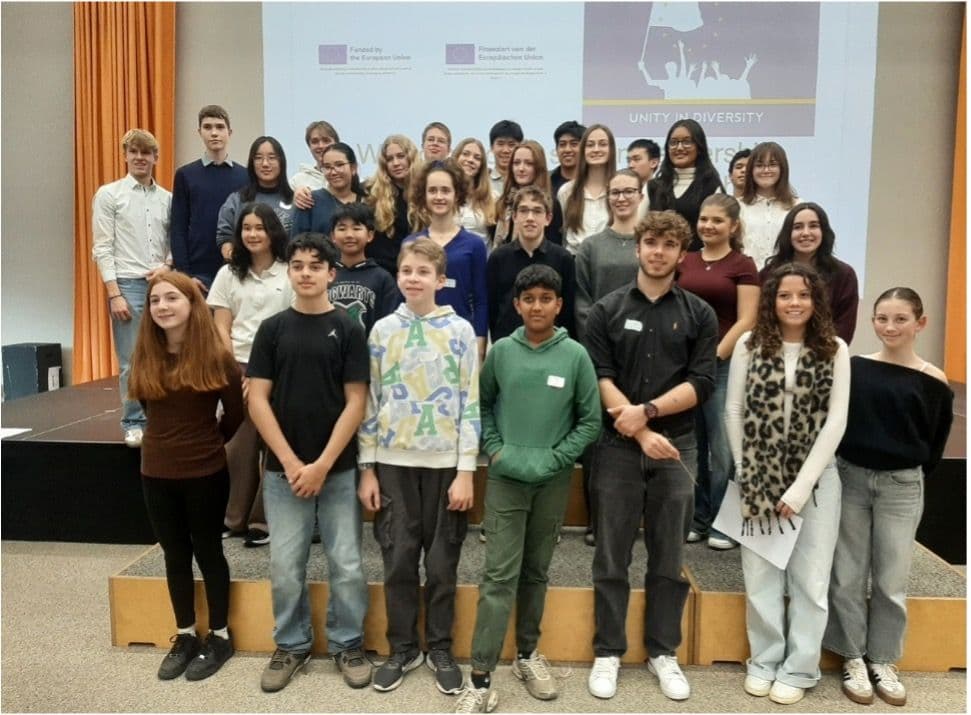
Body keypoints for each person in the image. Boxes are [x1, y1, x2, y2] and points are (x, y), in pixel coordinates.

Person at [584, 210, 717, 703]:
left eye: (668, 245)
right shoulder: (606, 309)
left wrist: (650, 412)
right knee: (611, 554)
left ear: (682, 254)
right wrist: (640, 431)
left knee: (668, 555)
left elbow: (703, 382)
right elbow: (599, 376)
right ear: (637, 248)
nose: (658, 251)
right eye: (651, 242)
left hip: (677, 444)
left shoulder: (700, 313)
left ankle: (663, 651)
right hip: (618, 447)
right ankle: (608, 650)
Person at [455, 264, 601, 713]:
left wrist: (556, 459)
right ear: (517, 305)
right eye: (529, 299)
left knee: (536, 572)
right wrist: (496, 449)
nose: (537, 306)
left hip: (552, 481)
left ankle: (526, 654)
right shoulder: (501, 353)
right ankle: (480, 678)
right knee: (499, 576)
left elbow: (591, 420)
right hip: (506, 479)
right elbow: (481, 405)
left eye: (546, 298)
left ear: (559, 305)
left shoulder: (574, 354)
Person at [247, 233, 372, 693]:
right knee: (284, 564)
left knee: (348, 563)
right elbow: (257, 400)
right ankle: (292, 644)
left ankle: (348, 642)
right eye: (296, 265)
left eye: (314, 266)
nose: (305, 273)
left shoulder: (350, 328)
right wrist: (292, 461)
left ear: (330, 274)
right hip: (284, 471)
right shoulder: (272, 330)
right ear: (288, 272)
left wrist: (321, 464)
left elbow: (355, 402)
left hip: (337, 470)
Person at [357, 238, 480, 695]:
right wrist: (367, 467)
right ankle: (403, 646)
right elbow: (370, 400)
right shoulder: (383, 331)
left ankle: (441, 646)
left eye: (422, 272)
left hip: (446, 463)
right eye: (406, 270)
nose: (413, 278)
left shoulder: (461, 331)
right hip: (392, 461)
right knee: (398, 558)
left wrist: (466, 468)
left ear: (440, 279)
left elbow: (471, 401)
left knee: (444, 560)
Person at [725, 262, 850, 705]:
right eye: (784, 295)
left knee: (810, 582)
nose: (794, 303)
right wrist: (746, 471)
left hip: (816, 486)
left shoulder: (834, 349)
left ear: (815, 301)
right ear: (771, 300)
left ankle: (799, 668)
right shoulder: (748, 344)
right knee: (759, 577)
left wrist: (799, 489)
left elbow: (836, 423)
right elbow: (735, 410)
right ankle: (764, 660)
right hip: (757, 478)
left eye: (802, 295)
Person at [824, 288, 953, 708]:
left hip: (901, 485)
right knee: (847, 574)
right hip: (853, 479)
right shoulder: (856, 368)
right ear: (872, 321)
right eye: (882, 318)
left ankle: (882, 659)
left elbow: (933, 443)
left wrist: (906, 473)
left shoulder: (933, 380)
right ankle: (852, 656)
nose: (890, 327)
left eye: (900, 319)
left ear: (920, 323)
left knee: (891, 579)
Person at [128, 271, 244, 681]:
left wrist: (206, 443)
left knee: (208, 551)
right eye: (155, 300)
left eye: (171, 298)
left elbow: (236, 415)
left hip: (205, 472)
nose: (162, 306)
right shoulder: (145, 355)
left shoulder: (217, 356)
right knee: (174, 554)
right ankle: (185, 634)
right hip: (155, 472)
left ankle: (220, 635)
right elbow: (149, 409)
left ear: (192, 303)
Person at [207, 203, 294, 547]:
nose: (253, 234)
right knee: (238, 449)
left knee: (273, 446)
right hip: (237, 369)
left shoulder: (289, 272)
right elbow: (221, 328)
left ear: (273, 232)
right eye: (247, 228)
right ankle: (234, 519)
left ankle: (263, 522)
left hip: (277, 371)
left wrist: (264, 375)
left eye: (260, 227)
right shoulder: (228, 274)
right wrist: (234, 374)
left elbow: (293, 326)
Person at [676, 194, 759, 550]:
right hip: (684, 367)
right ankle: (699, 517)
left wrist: (715, 355)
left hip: (724, 367)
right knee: (693, 445)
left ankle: (725, 524)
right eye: (704, 219)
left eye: (717, 221)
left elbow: (748, 319)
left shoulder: (743, 264)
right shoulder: (687, 260)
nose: (708, 226)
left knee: (723, 449)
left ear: (733, 226)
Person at [91, 128, 173, 447]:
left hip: (163, 282)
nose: (140, 158)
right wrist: (114, 293)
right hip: (127, 283)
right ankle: (134, 421)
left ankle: (161, 418)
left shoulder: (168, 198)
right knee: (133, 358)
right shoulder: (109, 195)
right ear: (125, 156)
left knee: (166, 355)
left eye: (146, 152)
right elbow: (102, 247)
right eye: (134, 152)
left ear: (155, 157)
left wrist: (167, 265)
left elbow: (173, 242)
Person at [403, 159, 488, 363]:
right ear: (423, 195)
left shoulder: (474, 245)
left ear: (456, 194)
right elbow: (404, 296)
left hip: (459, 341)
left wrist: (480, 342)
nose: (439, 196)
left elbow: (481, 299)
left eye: (445, 190)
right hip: (418, 341)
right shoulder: (410, 244)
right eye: (432, 190)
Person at [170, 105, 248, 291]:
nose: (214, 133)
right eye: (208, 127)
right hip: (198, 275)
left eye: (220, 127)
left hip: (237, 269)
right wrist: (185, 275)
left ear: (229, 132)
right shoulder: (185, 175)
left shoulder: (245, 176)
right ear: (199, 132)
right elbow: (178, 227)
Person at [487, 185, 575, 342]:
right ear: (514, 216)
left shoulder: (563, 258)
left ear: (548, 218)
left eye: (537, 211)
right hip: (509, 344)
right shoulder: (498, 258)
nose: (530, 218)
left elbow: (567, 311)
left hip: (551, 344)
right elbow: (492, 309)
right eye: (523, 210)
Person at [761, 202, 859, 343]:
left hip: (824, 356)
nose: (806, 233)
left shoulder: (844, 275)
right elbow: (761, 320)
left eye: (813, 226)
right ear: (788, 233)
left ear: (823, 231)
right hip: (774, 353)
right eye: (798, 227)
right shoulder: (769, 273)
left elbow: (844, 327)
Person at [574, 169, 644, 341]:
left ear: (641, 197)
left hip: (643, 343)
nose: (621, 198)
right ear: (608, 198)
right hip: (600, 342)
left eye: (629, 191)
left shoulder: (652, 245)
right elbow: (581, 301)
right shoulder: (590, 246)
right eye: (615, 193)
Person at [648, 119, 724, 251]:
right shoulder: (653, 186)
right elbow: (638, 229)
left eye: (687, 142)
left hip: (698, 266)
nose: (679, 147)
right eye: (673, 143)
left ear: (699, 147)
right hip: (658, 264)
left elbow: (719, 234)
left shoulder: (712, 186)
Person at [216, 136, 294, 260]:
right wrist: (236, 261)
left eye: (272, 158)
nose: (265, 164)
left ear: (282, 162)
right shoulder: (236, 200)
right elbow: (224, 237)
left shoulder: (296, 201)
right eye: (258, 158)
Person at [328, 202, 399, 336]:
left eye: (356, 228)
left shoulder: (382, 278)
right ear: (333, 237)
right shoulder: (324, 275)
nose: (349, 235)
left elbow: (390, 324)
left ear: (370, 235)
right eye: (342, 229)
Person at [366, 134, 422, 277]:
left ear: (411, 157)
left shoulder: (426, 191)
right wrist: (303, 190)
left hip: (414, 273)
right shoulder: (370, 192)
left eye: (401, 156)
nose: (396, 163)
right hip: (379, 274)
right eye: (390, 159)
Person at [491, 140, 562, 248]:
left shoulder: (551, 203)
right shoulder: (503, 202)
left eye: (529, 163)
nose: (521, 169)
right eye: (516, 163)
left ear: (539, 168)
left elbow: (554, 246)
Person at [558, 124, 617, 254]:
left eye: (602, 144)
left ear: (611, 149)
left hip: (609, 261)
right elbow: (562, 237)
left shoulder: (619, 190)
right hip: (575, 262)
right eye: (590, 145)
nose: (596, 149)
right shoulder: (566, 191)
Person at [739, 142, 797, 270]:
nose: (766, 170)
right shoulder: (738, 206)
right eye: (759, 165)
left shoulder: (797, 207)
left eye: (772, 164)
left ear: (783, 168)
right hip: (748, 279)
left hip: (787, 278)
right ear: (751, 170)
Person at [291, 142, 367, 236]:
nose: (333, 172)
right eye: (327, 167)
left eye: (339, 165)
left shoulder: (367, 201)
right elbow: (297, 243)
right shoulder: (308, 200)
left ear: (353, 168)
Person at [452, 137, 497, 241]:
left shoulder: (492, 198)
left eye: (477, 158)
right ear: (456, 156)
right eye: (466, 154)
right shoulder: (443, 194)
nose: (470, 160)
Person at [289, 120, 339, 193]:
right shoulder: (297, 182)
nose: (321, 146)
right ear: (309, 146)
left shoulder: (348, 178)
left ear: (336, 144)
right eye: (315, 142)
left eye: (326, 140)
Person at [488, 119, 524, 197]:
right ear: (491, 147)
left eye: (511, 145)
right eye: (500, 144)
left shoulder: (527, 181)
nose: (506, 150)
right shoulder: (482, 182)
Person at [549, 120, 586, 196]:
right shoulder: (547, 182)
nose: (567, 150)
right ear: (556, 149)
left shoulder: (595, 181)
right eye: (562, 144)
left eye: (574, 144)